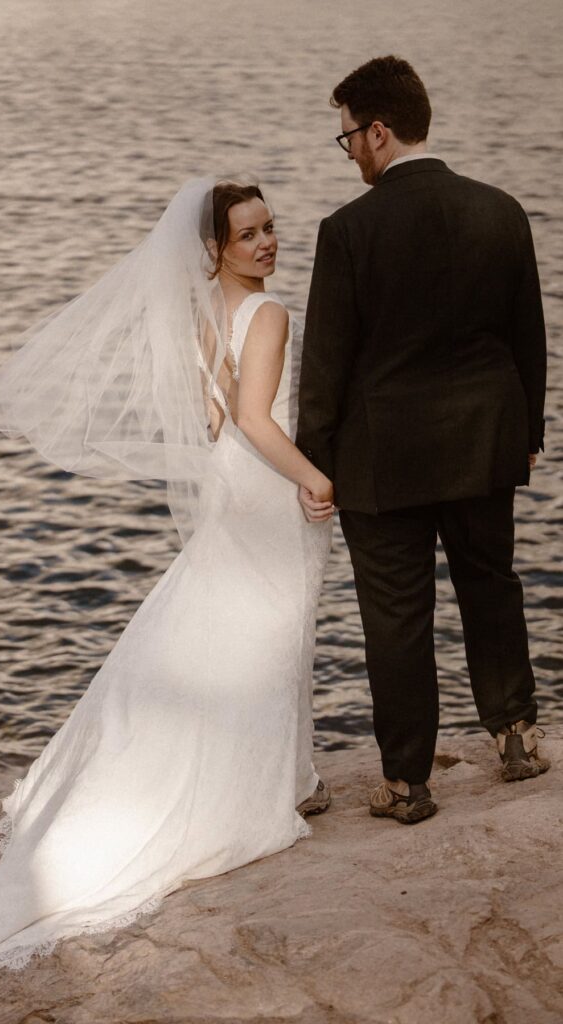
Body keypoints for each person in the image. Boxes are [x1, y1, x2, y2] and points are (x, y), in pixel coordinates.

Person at [0, 177, 335, 1011]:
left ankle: (285, 770)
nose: (268, 242)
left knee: (225, 620)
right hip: (268, 484)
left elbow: (209, 420)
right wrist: (317, 479)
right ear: (215, 248)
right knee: (271, 627)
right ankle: (268, 785)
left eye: (270, 227)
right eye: (248, 234)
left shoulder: (200, 311)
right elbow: (254, 417)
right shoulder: (267, 315)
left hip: (231, 484)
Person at [297, 55, 548, 825]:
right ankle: (514, 736)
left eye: (347, 140)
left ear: (378, 131)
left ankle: (407, 783)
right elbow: (527, 339)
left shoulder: (348, 230)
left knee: (395, 617)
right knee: (490, 586)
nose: (349, 155)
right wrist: (527, 432)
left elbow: (326, 362)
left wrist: (315, 464)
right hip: (482, 443)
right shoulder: (499, 208)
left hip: (383, 460)